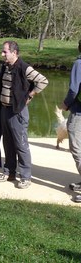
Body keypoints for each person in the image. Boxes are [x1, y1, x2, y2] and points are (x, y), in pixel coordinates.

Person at [0, 41, 48, 189]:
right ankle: (9, 171)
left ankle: (25, 177)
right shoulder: (5, 66)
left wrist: (30, 96)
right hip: (5, 110)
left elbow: (43, 81)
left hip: (18, 111)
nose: (2, 54)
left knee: (21, 144)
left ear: (14, 52)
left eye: (5, 52)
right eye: (3, 51)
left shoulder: (24, 68)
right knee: (8, 142)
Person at [60, 40, 81, 202]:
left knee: (77, 149)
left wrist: (66, 104)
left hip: (79, 113)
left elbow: (74, 89)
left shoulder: (79, 63)